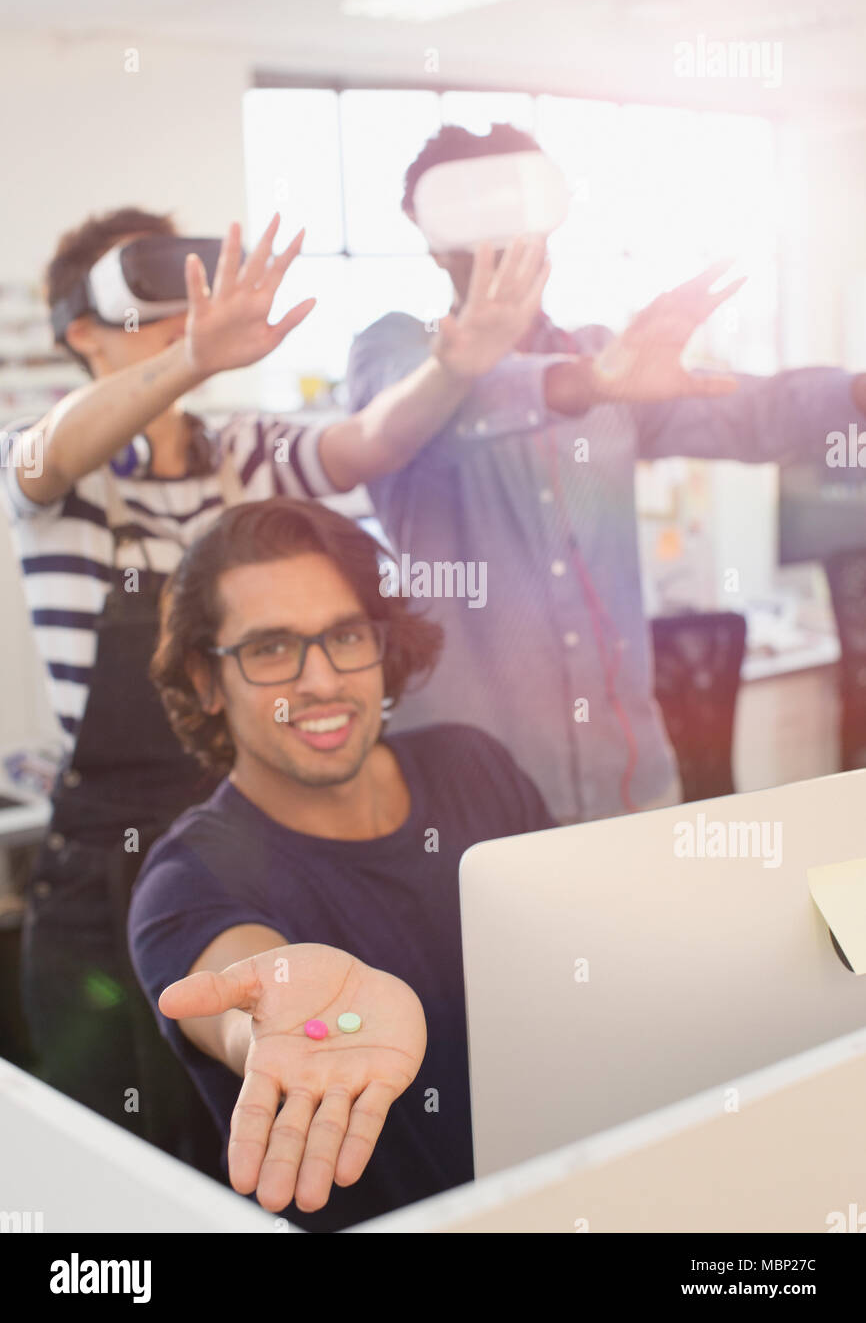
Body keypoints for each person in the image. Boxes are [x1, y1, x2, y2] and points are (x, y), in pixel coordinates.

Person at [0, 203, 547, 1169]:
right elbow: (44, 458)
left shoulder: (243, 452)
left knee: (265, 1128)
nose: (180, 318)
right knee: (124, 1156)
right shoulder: (58, 465)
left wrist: (456, 366)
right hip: (107, 862)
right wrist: (190, 362)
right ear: (80, 332)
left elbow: (367, 444)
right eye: (145, 305)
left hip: (249, 833)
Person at [347, 123, 866, 826]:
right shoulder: (395, 357)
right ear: (432, 238)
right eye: (476, 216)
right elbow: (436, 407)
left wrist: (855, 395)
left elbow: (749, 413)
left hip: (631, 780)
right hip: (472, 805)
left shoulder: (609, 360)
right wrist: (588, 381)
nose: (508, 238)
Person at [127, 497, 553, 1231]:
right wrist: (278, 1021)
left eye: (345, 635)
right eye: (270, 649)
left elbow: (573, 944)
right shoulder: (185, 882)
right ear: (204, 679)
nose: (321, 682)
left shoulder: (471, 764)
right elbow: (243, 1004)